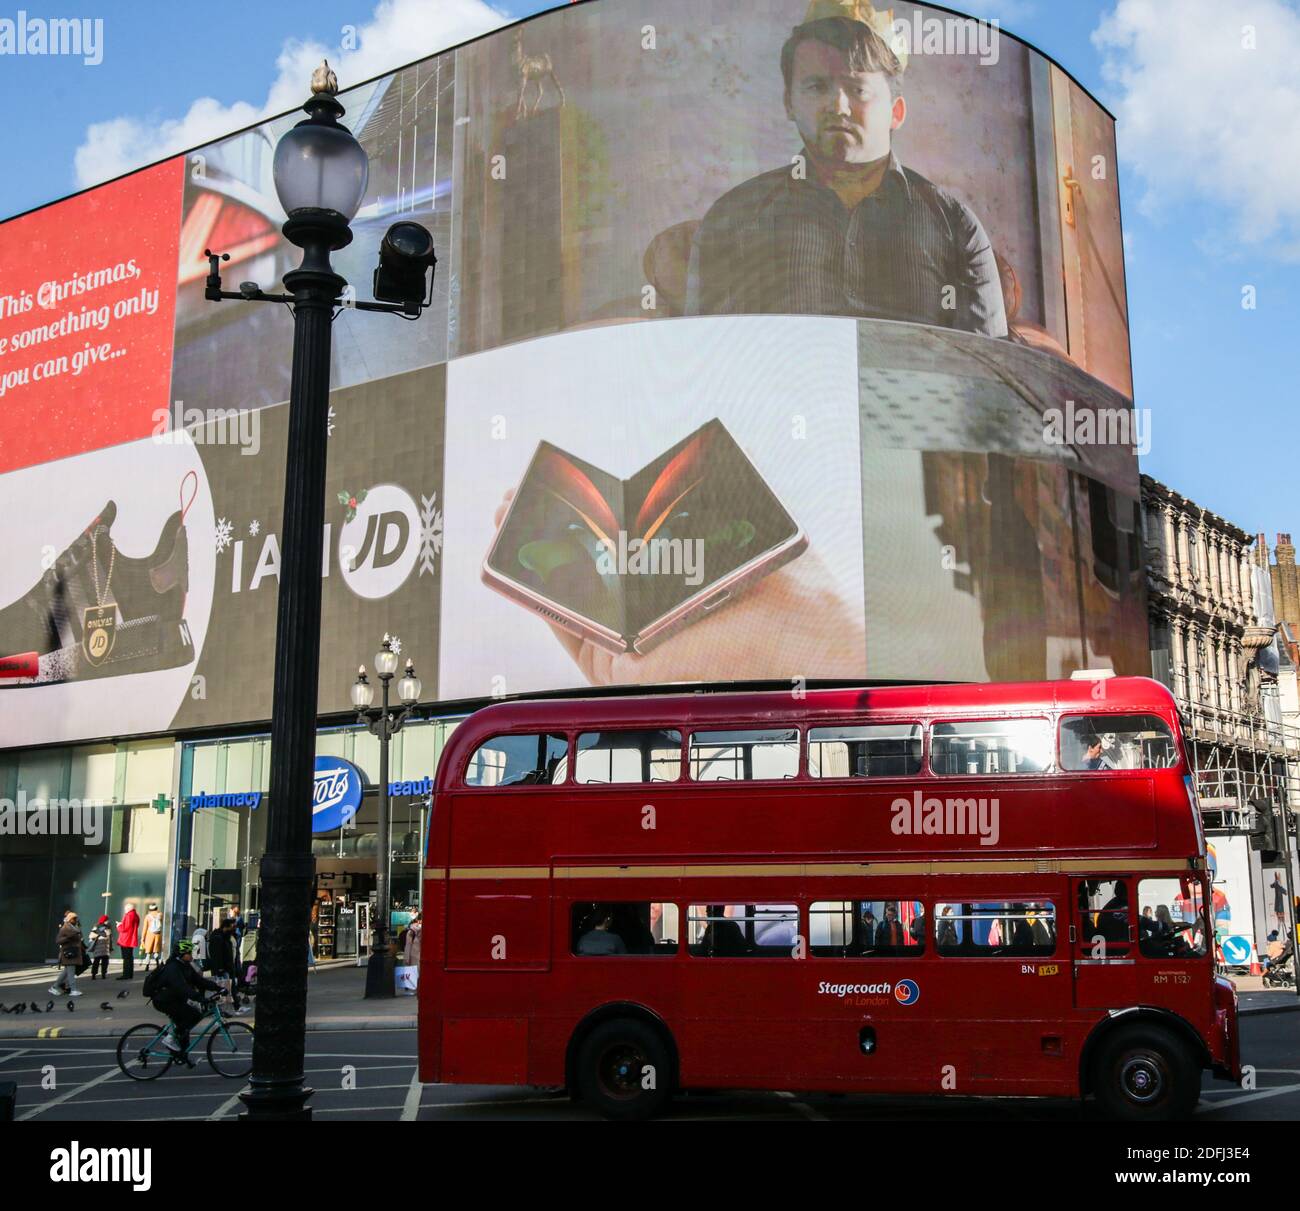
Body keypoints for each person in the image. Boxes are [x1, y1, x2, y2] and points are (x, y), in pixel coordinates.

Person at [687, 3, 1006, 339]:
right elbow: (704, 361)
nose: (838, 107)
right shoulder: (733, 218)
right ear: (789, 103)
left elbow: (992, 375)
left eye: (858, 90)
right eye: (816, 87)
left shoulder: (955, 226)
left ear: (896, 111)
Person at [149, 939, 224, 1060]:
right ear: (181, 954)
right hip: (163, 1001)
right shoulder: (173, 968)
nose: (192, 955)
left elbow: (199, 981)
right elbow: (182, 988)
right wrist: (200, 998)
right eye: (189, 952)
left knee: (185, 1029)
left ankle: (181, 1055)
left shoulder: (185, 966)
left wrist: (218, 988)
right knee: (194, 1015)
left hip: (175, 999)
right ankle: (170, 1038)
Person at [50, 911, 84, 997]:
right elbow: (58, 940)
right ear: (69, 919)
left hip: (74, 952)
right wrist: (68, 938)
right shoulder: (65, 928)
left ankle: (55, 987)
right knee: (70, 973)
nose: (76, 920)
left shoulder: (75, 927)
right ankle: (73, 989)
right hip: (69, 952)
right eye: (74, 918)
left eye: (76, 918)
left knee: (66, 972)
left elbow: (79, 938)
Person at [115, 900, 140, 981]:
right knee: (129, 957)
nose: (124, 910)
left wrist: (119, 925)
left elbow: (125, 928)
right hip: (131, 938)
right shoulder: (135, 915)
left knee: (126, 958)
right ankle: (129, 974)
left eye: (125, 908)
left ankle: (126, 974)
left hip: (126, 939)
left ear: (128, 908)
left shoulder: (129, 915)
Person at [87, 914, 113, 979]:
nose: (108, 921)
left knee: (96, 962)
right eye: (107, 920)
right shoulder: (108, 928)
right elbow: (110, 939)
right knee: (104, 962)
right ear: (105, 920)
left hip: (98, 948)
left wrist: (98, 934)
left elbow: (91, 936)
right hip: (105, 948)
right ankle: (103, 975)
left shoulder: (95, 927)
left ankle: (94, 975)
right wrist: (110, 947)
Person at [140, 903, 163, 971]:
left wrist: (143, 938)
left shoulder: (148, 916)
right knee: (156, 951)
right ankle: (157, 964)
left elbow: (145, 928)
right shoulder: (160, 915)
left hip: (150, 934)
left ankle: (147, 966)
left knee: (148, 951)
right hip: (158, 934)